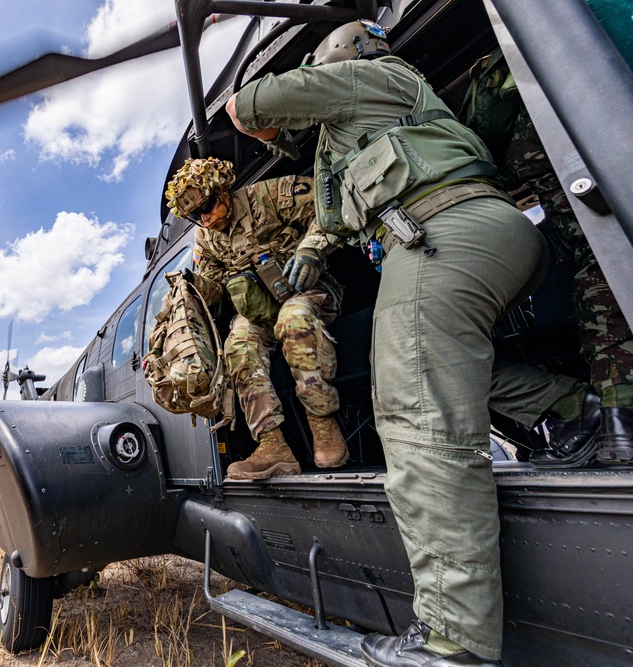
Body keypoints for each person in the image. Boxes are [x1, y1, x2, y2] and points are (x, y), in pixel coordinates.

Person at [224, 19, 594, 667]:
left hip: (436, 234)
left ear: (337, 58)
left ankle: (453, 637)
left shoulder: (363, 78)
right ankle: (573, 410)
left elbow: (245, 104)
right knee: (452, 376)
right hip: (489, 230)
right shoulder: (397, 104)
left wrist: (271, 123)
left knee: (416, 415)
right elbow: (333, 221)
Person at [460, 47, 633, 467]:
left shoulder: (509, 68)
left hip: (593, 213)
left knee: (601, 291)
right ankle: (612, 420)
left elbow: (482, 137)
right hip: (591, 217)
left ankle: (616, 421)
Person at [165, 157, 349, 480]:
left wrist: (311, 249)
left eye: (207, 206)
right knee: (238, 341)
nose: (205, 219)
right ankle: (272, 444)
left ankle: (323, 423)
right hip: (261, 311)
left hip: (311, 292)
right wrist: (193, 287)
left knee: (294, 316)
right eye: (195, 215)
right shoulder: (207, 239)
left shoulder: (270, 195)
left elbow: (328, 207)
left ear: (222, 190)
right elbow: (216, 287)